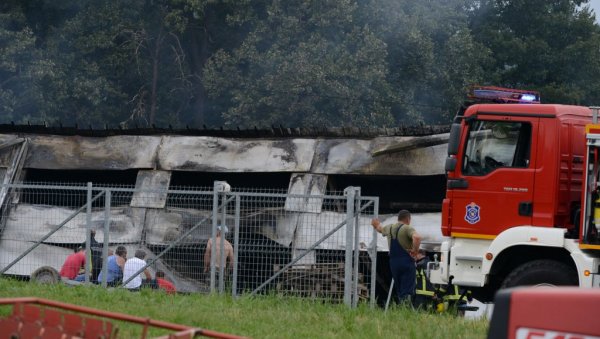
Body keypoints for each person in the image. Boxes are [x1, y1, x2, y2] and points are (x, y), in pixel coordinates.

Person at [371, 209, 422, 305]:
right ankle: (406, 310)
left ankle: (401, 308)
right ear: (408, 219)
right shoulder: (407, 228)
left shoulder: (389, 228)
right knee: (407, 289)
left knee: (399, 289)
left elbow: (379, 228)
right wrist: (415, 251)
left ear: (398, 218)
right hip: (406, 262)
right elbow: (417, 237)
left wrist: (375, 225)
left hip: (394, 263)